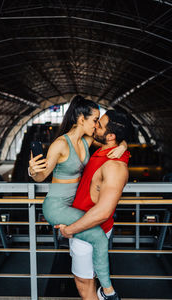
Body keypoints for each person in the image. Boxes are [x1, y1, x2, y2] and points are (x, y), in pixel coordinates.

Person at [28, 95, 127, 294]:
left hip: (71, 206)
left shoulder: (87, 140)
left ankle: (103, 288)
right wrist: (33, 171)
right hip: (56, 206)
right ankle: (108, 292)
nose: (97, 124)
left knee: (96, 235)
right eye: (95, 120)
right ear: (81, 119)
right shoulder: (60, 145)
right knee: (98, 237)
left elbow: (112, 139)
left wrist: (123, 146)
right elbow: (42, 176)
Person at [56, 110, 130, 300]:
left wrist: (70, 230)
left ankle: (106, 295)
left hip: (88, 229)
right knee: (86, 278)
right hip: (82, 223)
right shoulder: (106, 148)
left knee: (83, 282)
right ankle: (105, 294)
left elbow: (103, 212)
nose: (95, 125)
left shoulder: (115, 167)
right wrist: (123, 144)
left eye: (100, 124)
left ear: (110, 135)